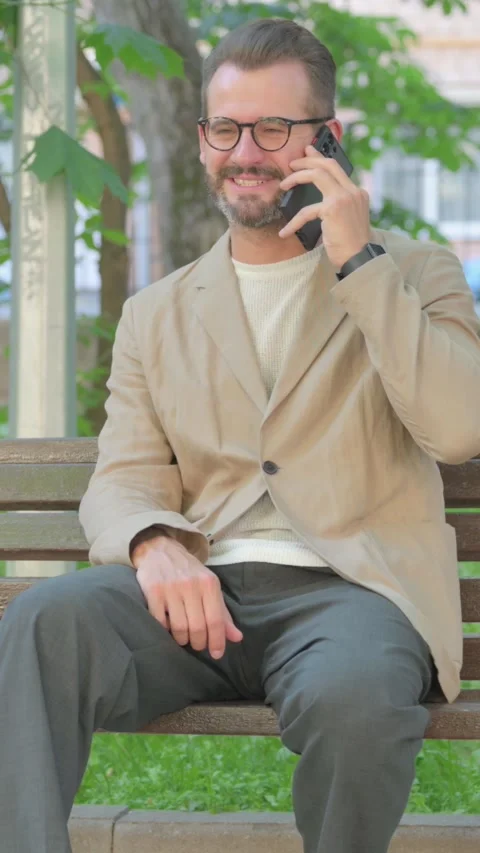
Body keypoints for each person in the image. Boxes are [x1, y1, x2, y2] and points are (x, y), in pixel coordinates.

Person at [1, 17, 480, 853]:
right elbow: (122, 473)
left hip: (355, 594)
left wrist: (359, 262)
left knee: (356, 698)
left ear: (328, 139)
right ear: (201, 141)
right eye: (226, 129)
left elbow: (457, 428)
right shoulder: (157, 312)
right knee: (41, 625)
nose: (245, 152)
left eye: (273, 128)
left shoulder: (415, 271)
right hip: (198, 598)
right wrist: (152, 541)